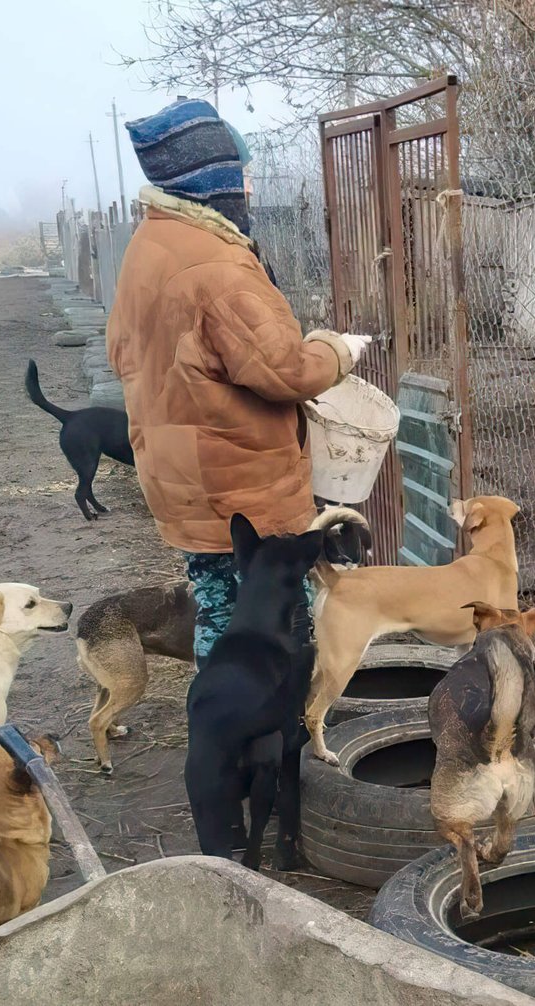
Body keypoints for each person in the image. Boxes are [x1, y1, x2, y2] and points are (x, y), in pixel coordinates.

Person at [106, 98, 370, 666]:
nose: (248, 186)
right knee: (282, 617)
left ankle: (218, 731)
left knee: (219, 608)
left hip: (179, 474)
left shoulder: (146, 247)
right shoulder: (216, 264)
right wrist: (338, 350)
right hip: (240, 484)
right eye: (240, 173)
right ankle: (282, 736)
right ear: (213, 178)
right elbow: (284, 370)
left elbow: (121, 352)